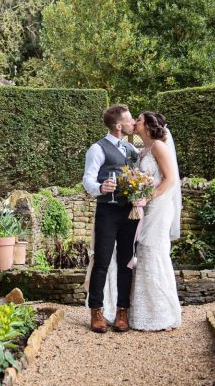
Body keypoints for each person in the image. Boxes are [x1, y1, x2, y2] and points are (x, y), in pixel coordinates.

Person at [82, 104, 140, 333]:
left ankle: (122, 311)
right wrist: (100, 187)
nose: (133, 122)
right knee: (102, 261)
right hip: (107, 211)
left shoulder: (131, 149)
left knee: (127, 262)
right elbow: (87, 180)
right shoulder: (97, 149)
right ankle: (96, 310)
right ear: (119, 126)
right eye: (129, 119)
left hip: (130, 212)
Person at [127, 111, 182, 331]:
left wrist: (148, 196)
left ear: (148, 126)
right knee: (144, 252)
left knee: (154, 251)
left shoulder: (159, 146)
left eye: (138, 120)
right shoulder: (143, 151)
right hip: (147, 207)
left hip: (159, 207)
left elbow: (171, 179)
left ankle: (164, 314)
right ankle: (145, 312)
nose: (135, 122)